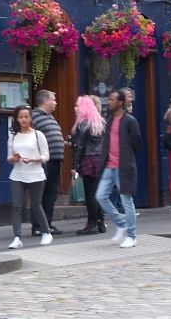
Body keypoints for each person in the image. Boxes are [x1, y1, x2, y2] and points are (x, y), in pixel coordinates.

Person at [96, 89, 140, 248]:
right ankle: (121, 222)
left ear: (120, 102)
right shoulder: (109, 119)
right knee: (100, 196)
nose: (109, 102)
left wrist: (127, 159)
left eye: (112, 99)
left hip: (123, 167)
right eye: (109, 99)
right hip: (109, 166)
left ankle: (132, 236)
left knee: (126, 200)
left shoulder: (129, 121)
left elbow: (136, 142)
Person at [6, 104, 53, 248]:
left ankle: (46, 232)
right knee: (16, 206)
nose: (24, 120)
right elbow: (9, 158)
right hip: (17, 174)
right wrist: (13, 159)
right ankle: (17, 237)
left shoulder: (38, 135)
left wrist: (34, 159)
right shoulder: (13, 137)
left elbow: (46, 156)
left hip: (36, 174)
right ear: (17, 119)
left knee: (35, 205)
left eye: (26, 117)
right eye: (21, 117)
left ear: (31, 118)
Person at [71, 95, 107, 235]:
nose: (76, 108)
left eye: (78, 106)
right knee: (98, 193)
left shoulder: (83, 124)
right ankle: (100, 222)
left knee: (90, 194)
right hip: (100, 160)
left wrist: (75, 166)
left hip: (88, 160)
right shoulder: (101, 123)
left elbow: (80, 147)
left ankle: (92, 224)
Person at [30, 90, 64, 235]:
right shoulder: (34, 117)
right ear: (45, 101)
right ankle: (38, 226)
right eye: (53, 99)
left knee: (51, 193)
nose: (55, 102)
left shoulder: (49, 117)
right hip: (43, 162)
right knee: (41, 194)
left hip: (55, 160)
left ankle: (47, 224)